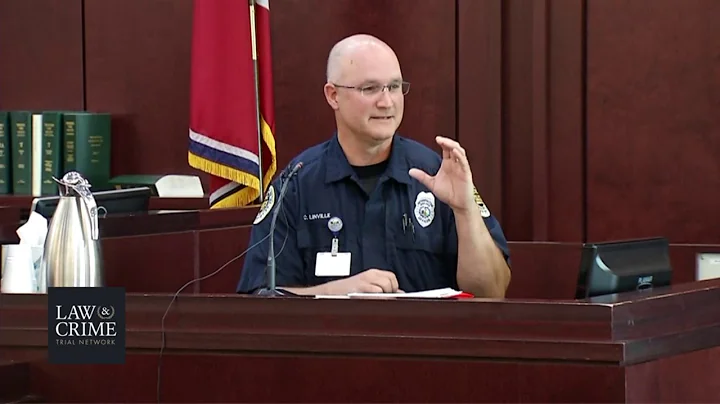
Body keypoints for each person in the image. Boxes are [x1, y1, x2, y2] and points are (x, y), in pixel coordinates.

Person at [237, 33, 511, 297]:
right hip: (331, 343)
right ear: (333, 96)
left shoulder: (436, 174)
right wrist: (339, 292)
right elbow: (262, 297)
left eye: (394, 87)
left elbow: (492, 293)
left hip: (423, 343)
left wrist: (464, 211)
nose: (387, 102)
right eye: (370, 89)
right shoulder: (296, 185)